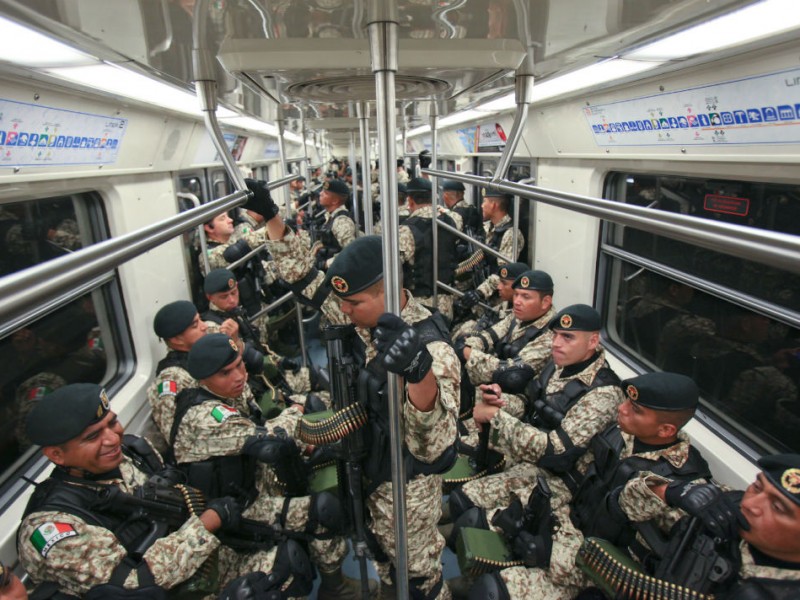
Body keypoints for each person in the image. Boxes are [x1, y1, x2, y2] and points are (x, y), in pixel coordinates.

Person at [255, 175, 459, 599]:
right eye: (342, 303)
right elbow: (304, 277)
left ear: (390, 293)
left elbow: (433, 447)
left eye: (354, 304)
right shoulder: (357, 311)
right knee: (384, 561)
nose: (343, 312)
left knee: (417, 575)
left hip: (406, 486)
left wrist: (418, 374)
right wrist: (273, 218)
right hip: (366, 460)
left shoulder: (433, 349)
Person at [17, 384, 307, 598]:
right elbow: (135, 583)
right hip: (154, 590)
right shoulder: (53, 527)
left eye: (112, 423)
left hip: (188, 570)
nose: (112, 438)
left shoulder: (132, 452)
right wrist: (209, 522)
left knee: (287, 563)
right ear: (57, 454)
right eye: (92, 437)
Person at [461, 372, 711, 600]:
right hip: (572, 528)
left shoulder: (677, 490)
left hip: (593, 571)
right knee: (474, 523)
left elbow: (632, 572)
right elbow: (577, 482)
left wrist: (551, 554)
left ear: (666, 429)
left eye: (635, 409)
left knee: (490, 593)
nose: (621, 409)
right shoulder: (620, 435)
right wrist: (539, 517)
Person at [449, 305, 623, 526]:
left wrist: (496, 417)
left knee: (468, 508)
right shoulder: (558, 365)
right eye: (556, 335)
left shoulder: (603, 394)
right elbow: (529, 403)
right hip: (530, 453)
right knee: (454, 452)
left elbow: (556, 452)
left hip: (560, 478)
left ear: (592, 341)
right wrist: (500, 401)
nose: (556, 343)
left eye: (568, 337)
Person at [458, 270, 557, 409]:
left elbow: (512, 375)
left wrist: (466, 353)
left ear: (545, 302)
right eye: (516, 294)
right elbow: (487, 336)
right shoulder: (518, 316)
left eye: (526, 297)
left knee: (461, 400)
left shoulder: (552, 334)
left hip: (522, 399)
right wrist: (468, 345)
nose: (517, 301)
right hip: (497, 384)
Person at [147, 300, 209, 445]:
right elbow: (177, 438)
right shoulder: (172, 379)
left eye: (201, 320)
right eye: (195, 325)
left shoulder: (199, 356)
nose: (204, 326)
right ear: (176, 339)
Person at [399, 177, 460, 320]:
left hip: (418, 305)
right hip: (446, 301)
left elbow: (396, 267)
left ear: (410, 200)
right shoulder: (452, 221)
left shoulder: (406, 230)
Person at [314, 179, 357, 270]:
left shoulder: (341, 221)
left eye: (326, 193)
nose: (320, 193)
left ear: (335, 201)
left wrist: (326, 264)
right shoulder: (331, 217)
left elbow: (351, 252)